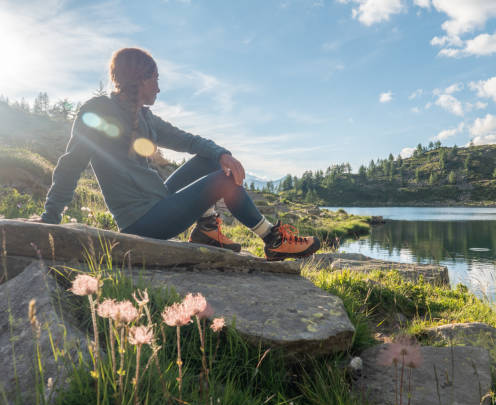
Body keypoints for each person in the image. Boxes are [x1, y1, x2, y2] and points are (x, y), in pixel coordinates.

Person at [40, 47, 320, 261]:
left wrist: (223, 154)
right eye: (154, 79)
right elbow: (71, 165)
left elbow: (188, 140)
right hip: (141, 222)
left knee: (211, 159)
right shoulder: (98, 111)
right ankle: (273, 240)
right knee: (222, 181)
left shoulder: (146, 117)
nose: (159, 87)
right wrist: (50, 218)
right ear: (138, 80)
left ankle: (208, 230)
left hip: (157, 202)